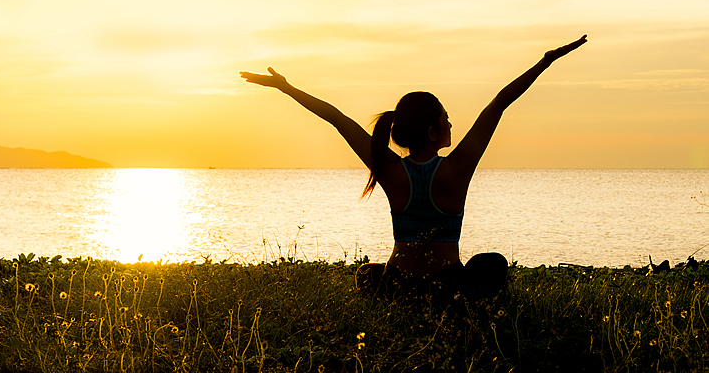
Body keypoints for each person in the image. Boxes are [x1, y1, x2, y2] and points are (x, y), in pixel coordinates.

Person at [240, 35, 587, 305]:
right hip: (448, 288)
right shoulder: (456, 169)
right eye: (445, 118)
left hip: (398, 286)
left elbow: (336, 118)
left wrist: (285, 88)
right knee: (492, 263)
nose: (451, 123)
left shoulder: (389, 169)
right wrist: (545, 62)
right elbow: (499, 103)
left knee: (367, 274)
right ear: (432, 133)